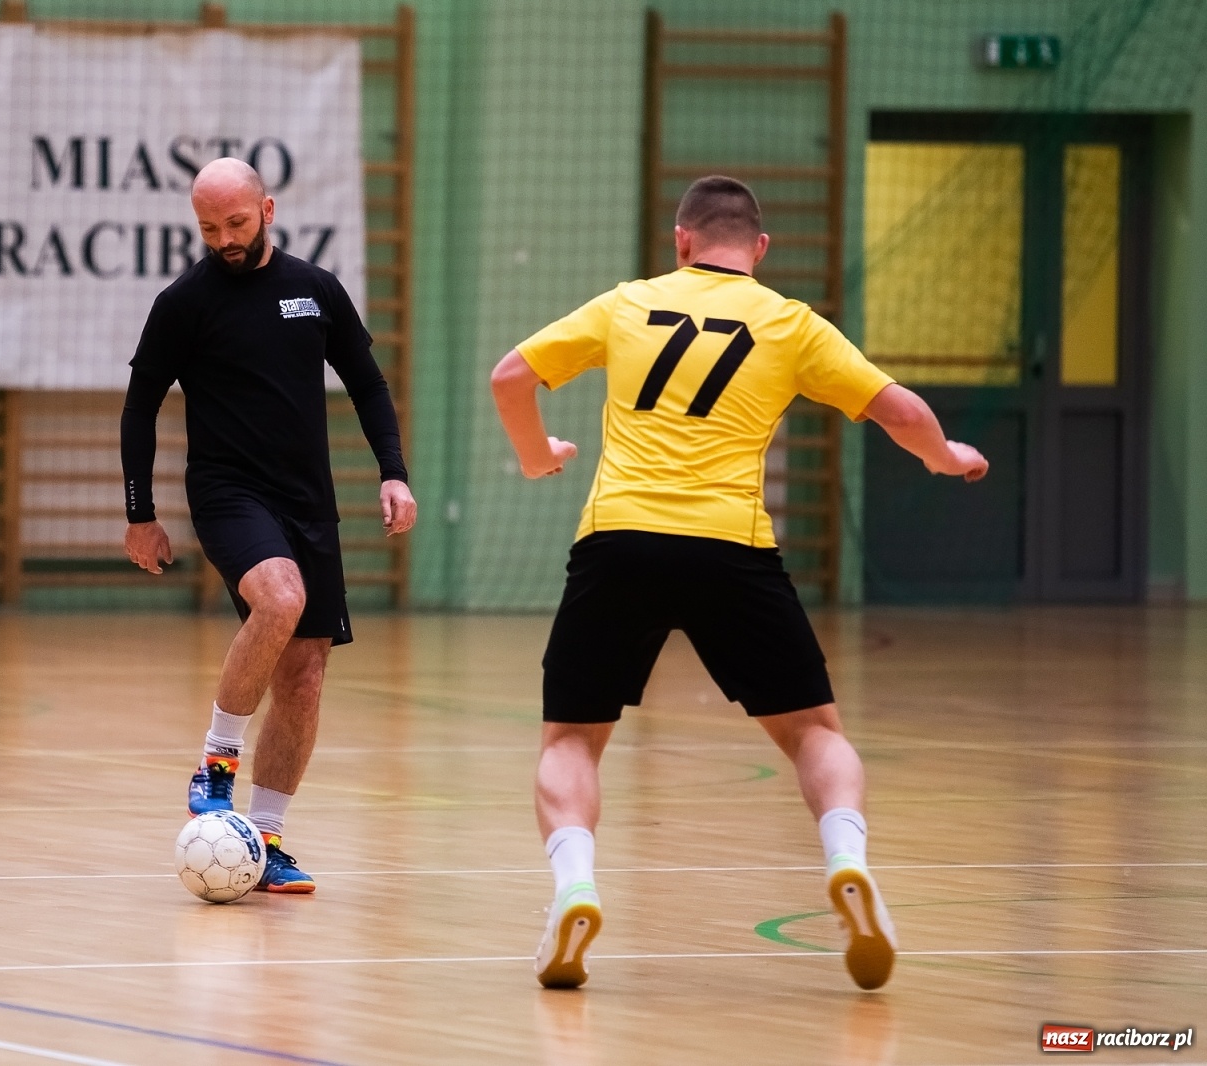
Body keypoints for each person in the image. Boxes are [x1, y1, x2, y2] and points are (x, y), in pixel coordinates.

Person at [489, 175, 987, 990]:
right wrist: (947, 456)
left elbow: (512, 374)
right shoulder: (790, 323)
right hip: (732, 549)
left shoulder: (628, 303)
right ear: (758, 249)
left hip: (619, 540)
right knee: (814, 732)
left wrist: (537, 456)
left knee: (573, 740)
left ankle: (575, 888)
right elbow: (898, 410)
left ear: (680, 240)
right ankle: (846, 861)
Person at [122, 157, 416, 893]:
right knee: (278, 599)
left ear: (269, 210)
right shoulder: (184, 303)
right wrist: (141, 515)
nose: (223, 239)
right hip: (227, 492)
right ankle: (216, 762)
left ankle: (265, 841)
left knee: (306, 677)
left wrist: (393, 470)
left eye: (236, 223)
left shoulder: (314, 292)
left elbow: (368, 383)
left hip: (308, 501)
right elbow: (140, 404)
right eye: (208, 227)